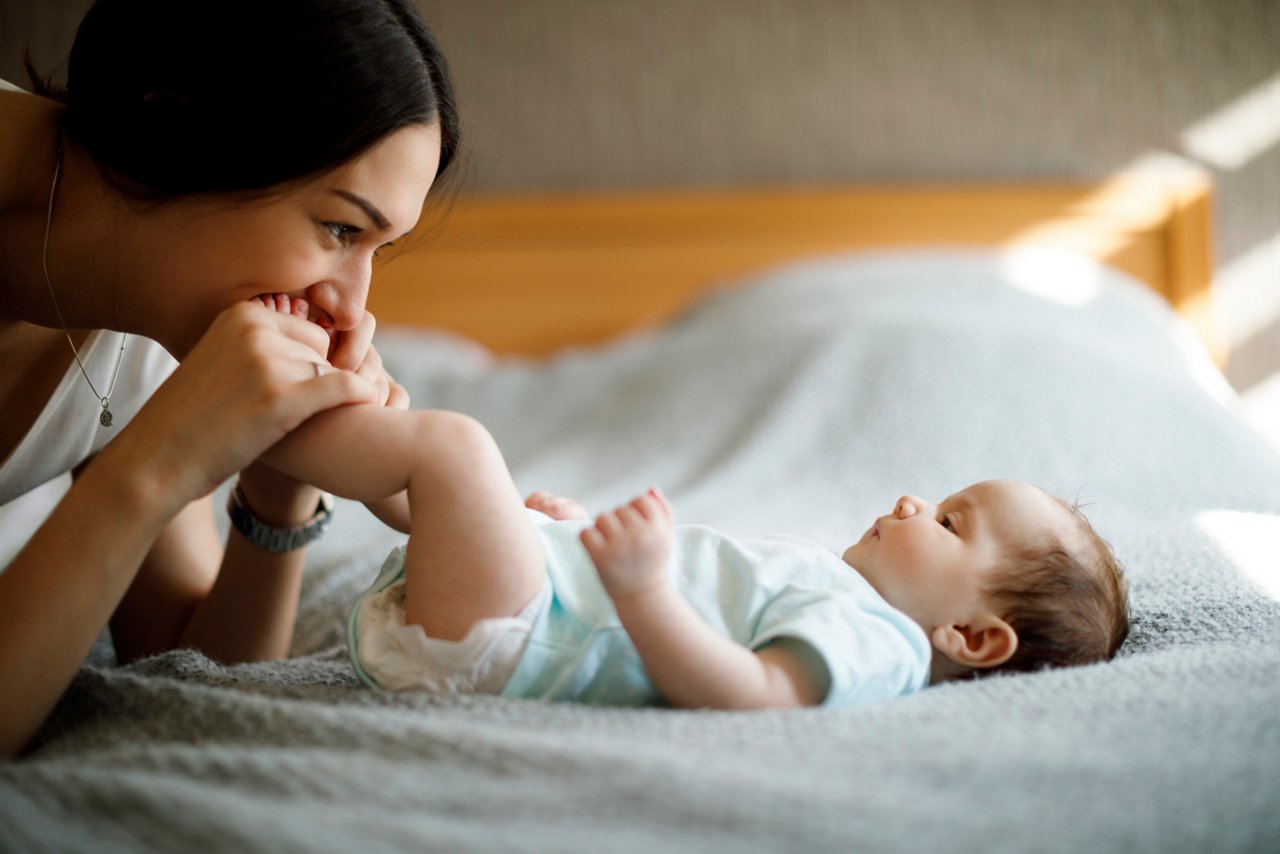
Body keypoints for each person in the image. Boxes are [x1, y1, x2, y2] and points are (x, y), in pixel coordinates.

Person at [251, 291, 1131, 708]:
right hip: (537, 610)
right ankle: (314, 400)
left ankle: (258, 413)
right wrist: (570, 543)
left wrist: (638, 591)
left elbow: (751, 695)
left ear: (971, 638)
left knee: (455, 453)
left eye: (948, 521)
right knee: (436, 483)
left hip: (524, 642)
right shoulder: (838, 596)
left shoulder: (878, 642)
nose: (911, 500)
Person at [0, 0, 460, 757]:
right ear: (173, 121)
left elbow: (192, 668)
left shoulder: (148, 302)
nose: (350, 305)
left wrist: (281, 488)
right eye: (340, 228)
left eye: (379, 248)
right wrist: (157, 460)